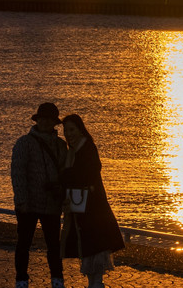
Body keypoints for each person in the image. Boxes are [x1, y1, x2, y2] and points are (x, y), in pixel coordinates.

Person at [60, 113, 125, 288]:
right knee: (88, 244)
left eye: (71, 130)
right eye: (66, 131)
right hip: (82, 205)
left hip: (93, 207)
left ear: (80, 129)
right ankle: (94, 282)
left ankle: (96, 283)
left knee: (94, 243)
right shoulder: (74, 151)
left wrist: (66, 176)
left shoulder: (87, 148)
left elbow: (88, 174)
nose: (68, 134)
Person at [11, 102, 69, 288]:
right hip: (28, 204)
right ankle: (21, 279)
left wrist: (61, 192)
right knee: (23, 244)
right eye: (43, 118)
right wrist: (22, 201)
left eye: (49, 119)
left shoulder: (61, 146)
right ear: (38, 120)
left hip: (52, 204)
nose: (45, 122)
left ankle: (57, 279)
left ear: (54, 123)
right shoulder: (24, 143)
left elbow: (64, 173)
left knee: (54, 245)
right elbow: (18, 173)